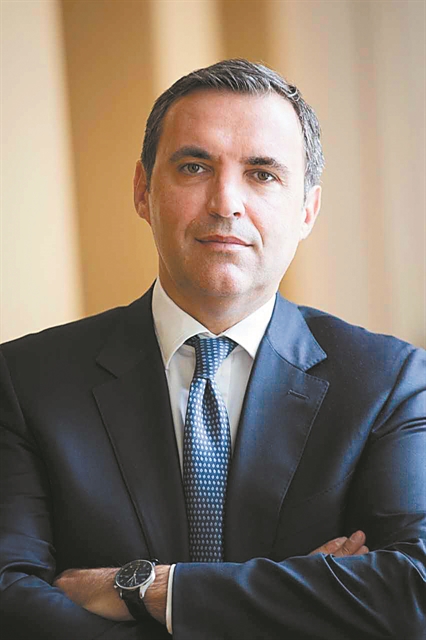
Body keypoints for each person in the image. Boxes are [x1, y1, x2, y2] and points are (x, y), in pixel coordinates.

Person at [0, 59, 425, 640]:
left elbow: (412, 591)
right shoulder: (26, 381)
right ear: (143, 191)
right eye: (194, 167)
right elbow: (10, 602)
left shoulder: (388, 382)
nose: (226, 202)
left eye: (262, 174)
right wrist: (306, 597)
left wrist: (148, 589)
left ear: (308, 210)